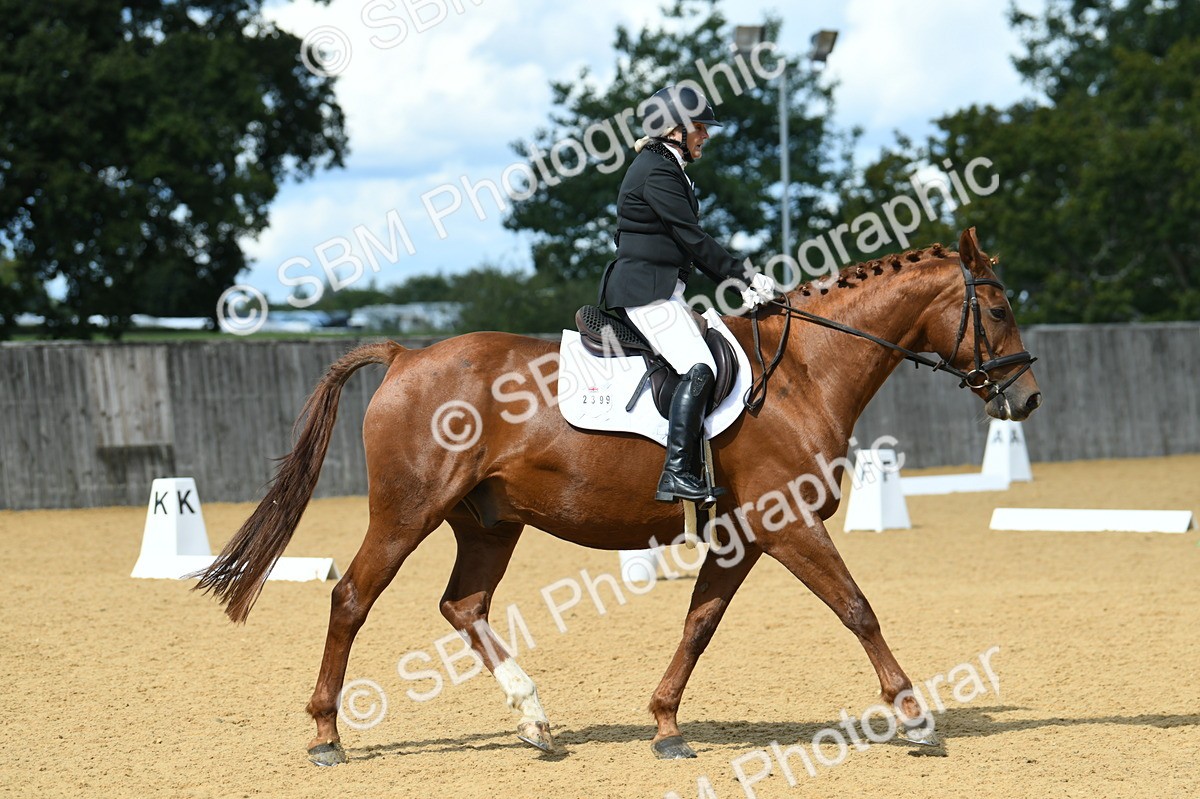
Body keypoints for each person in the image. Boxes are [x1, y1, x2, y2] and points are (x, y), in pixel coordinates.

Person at [599, 84, 777, 503]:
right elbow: (692, 238)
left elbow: (686, 241)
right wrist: (744, 277)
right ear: (674, 128)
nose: (706, 135)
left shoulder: (664, 165)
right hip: (646, 293)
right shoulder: (658, 170)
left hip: (661, 290)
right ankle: (677, 472)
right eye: (699, 127)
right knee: (700, 367)